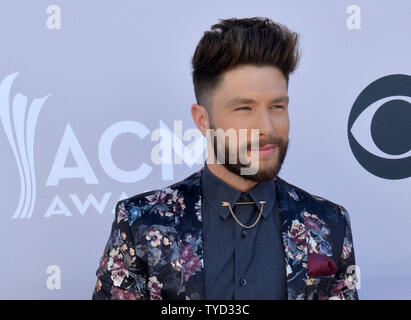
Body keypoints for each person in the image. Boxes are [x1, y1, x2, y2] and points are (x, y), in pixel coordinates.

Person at [92, 17, 359, 300]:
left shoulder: (330, 223)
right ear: (202, 119)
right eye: (244, 108)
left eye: (277, 106)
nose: (268, 128)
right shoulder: (141, 222)